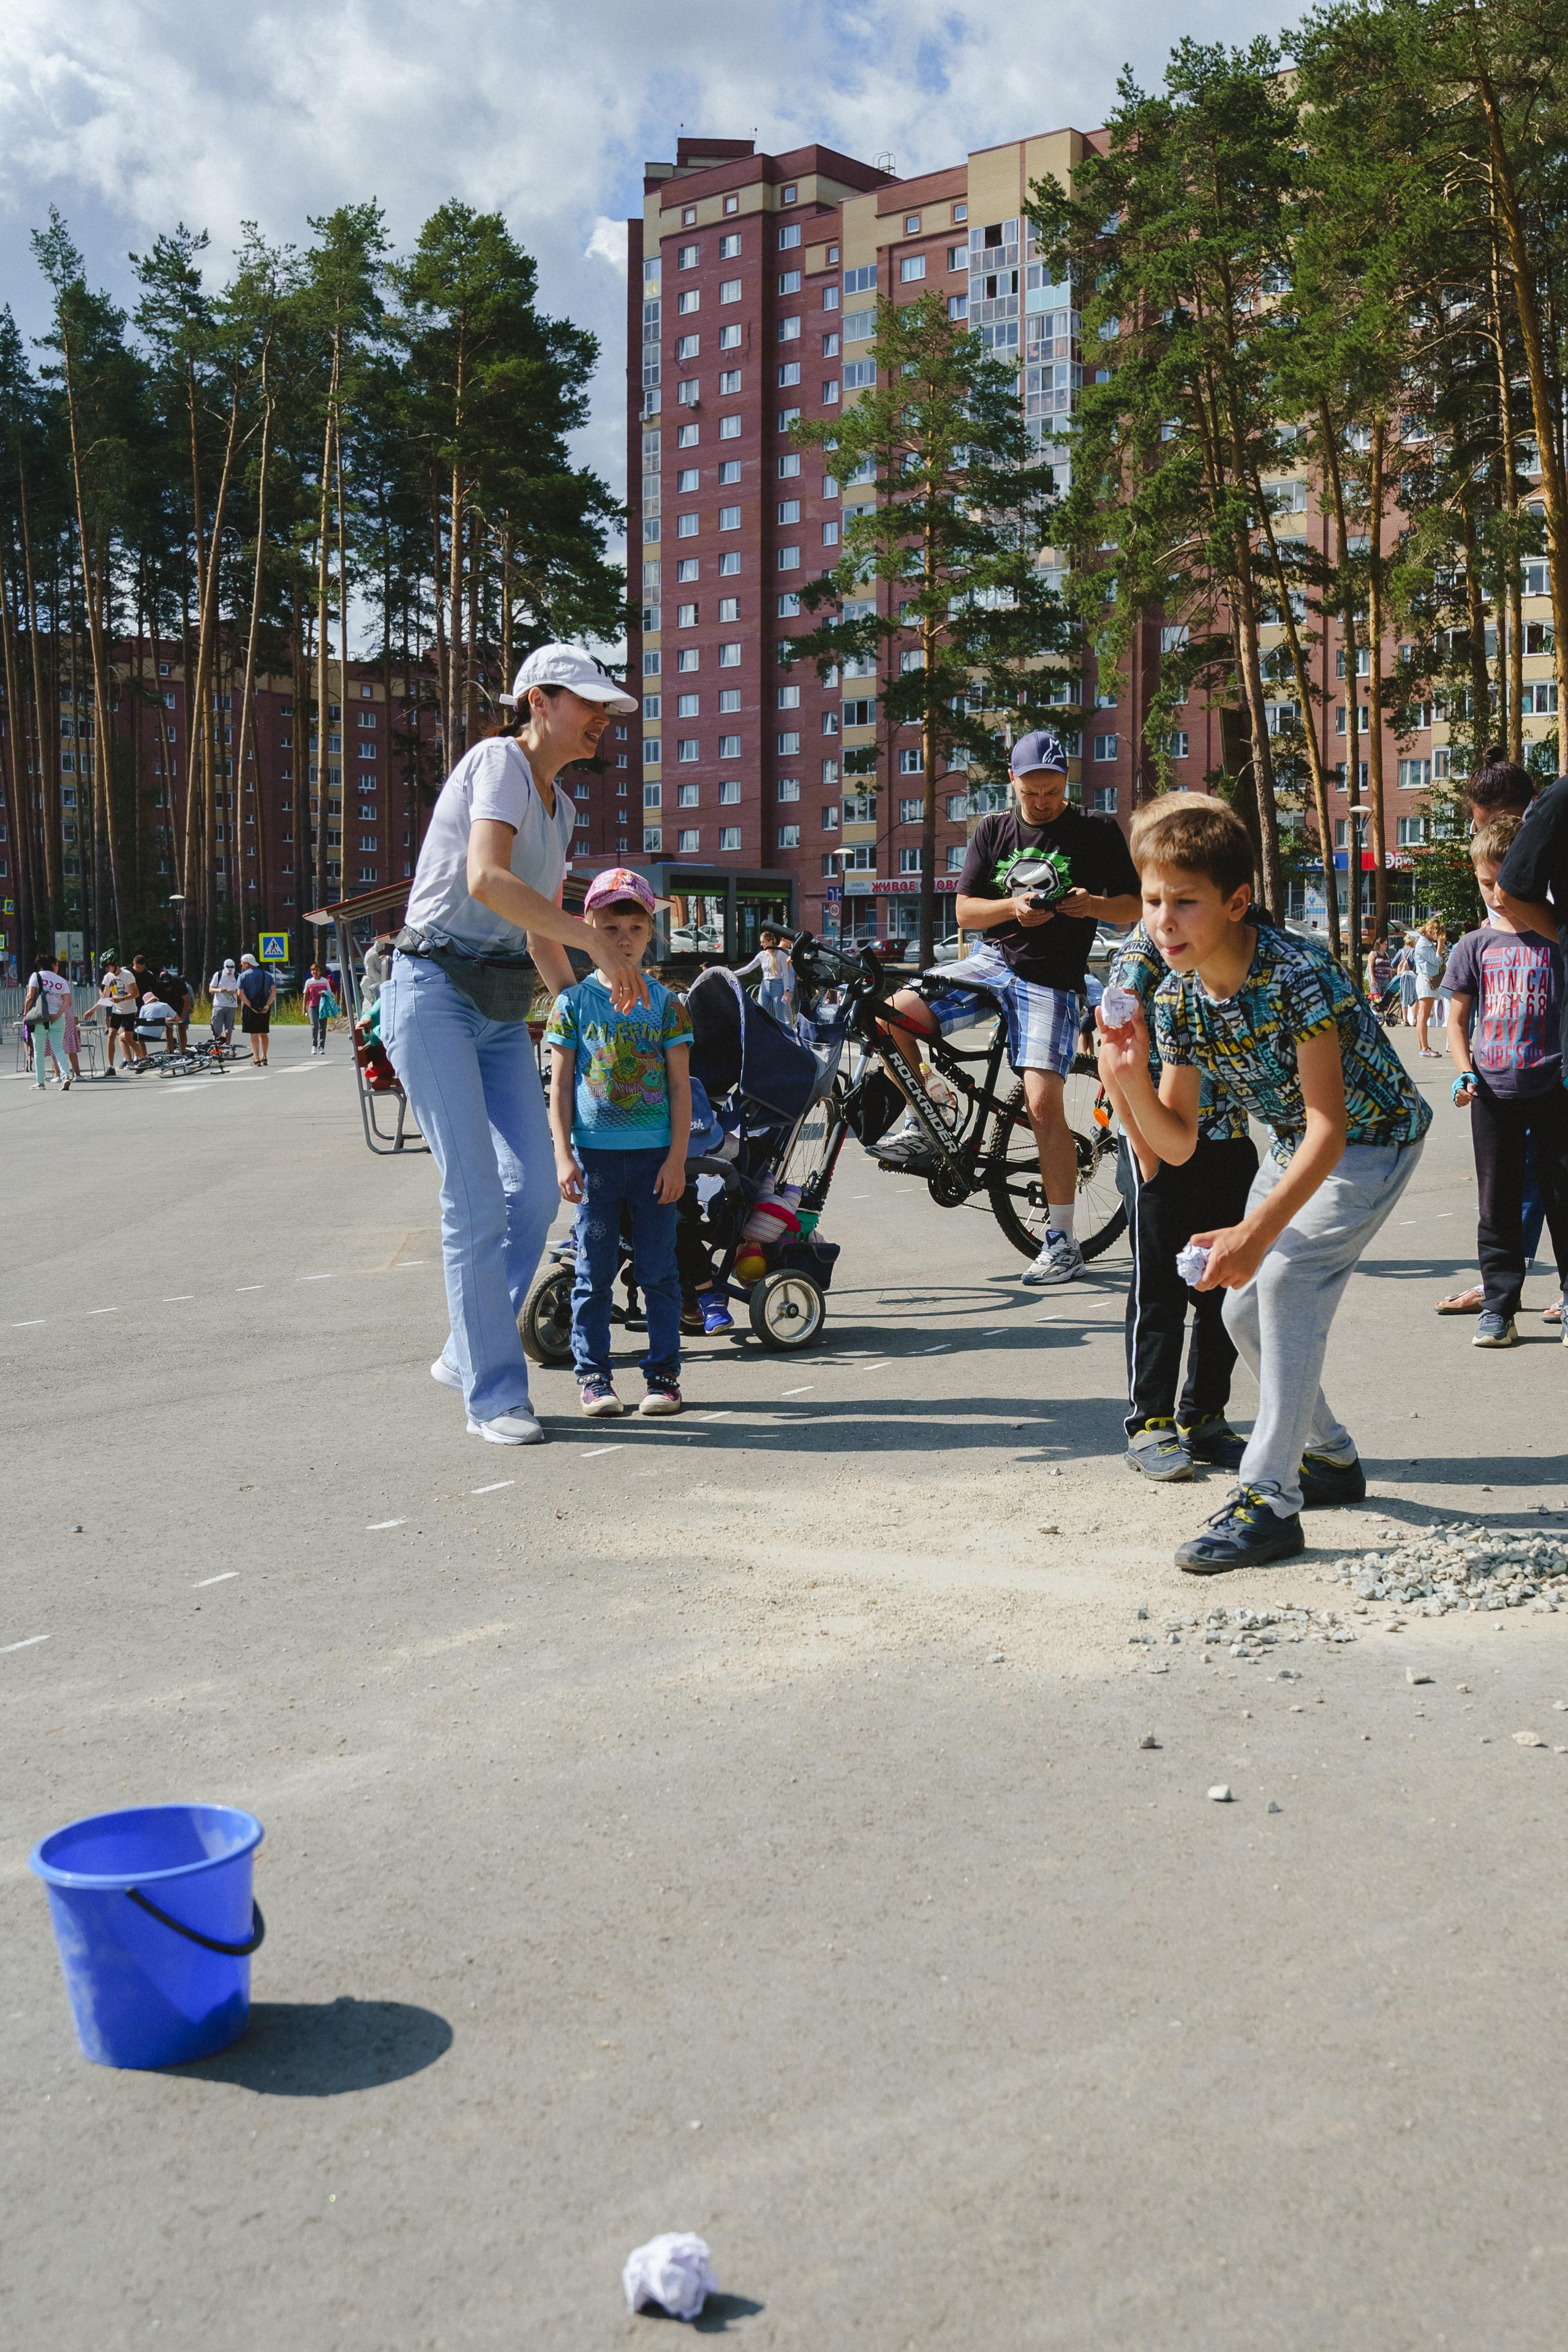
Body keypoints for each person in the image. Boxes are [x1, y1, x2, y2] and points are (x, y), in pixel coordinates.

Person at [1097, 792, 1431, 1573]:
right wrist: (1125, 1078)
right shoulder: (1177, 998)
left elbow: (1331, 1126)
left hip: (1373, 1141)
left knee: (1277, 1278)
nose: (1163, 921)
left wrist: (1256, 1232)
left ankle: (1270, 1500)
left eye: (1185, 903)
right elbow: (1176, 1144)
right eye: (1151, 903)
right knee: (1240, 1303)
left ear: (1236, 901)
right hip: (1296, 1146)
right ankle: (1333, 1460)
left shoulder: (1295, 971)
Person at [381, 641, 644, 1445]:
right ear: (540, 701)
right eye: (589, 703)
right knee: (473, 1199)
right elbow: (489, 881)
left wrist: (586, 1020)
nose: (602, 719)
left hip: (499, 1010)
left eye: (607, 708)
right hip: (431, 993)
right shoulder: (497, 762)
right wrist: (598, 945)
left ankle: (468, 1349)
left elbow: (535, 933)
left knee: (535, 1191)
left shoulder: (560, 808)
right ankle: (494, 1396)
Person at [876, 728, 1141, 1286]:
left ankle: (1063, 1242)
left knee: (1045, 1106)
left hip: (1052, 978)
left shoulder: (1095, 830)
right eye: (1031, 793)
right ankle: (934, 1106)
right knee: (888, 1017)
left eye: (1051, 792)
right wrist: (1013, 908)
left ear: (1065, 783)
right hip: (994, 962)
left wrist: (1090, 903)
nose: (1041, 803)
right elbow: (966, 913)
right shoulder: (994, 829)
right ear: (1012, 781)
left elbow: (1134, 906)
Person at [1109, 899, 1258, 1482]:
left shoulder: (1240, 943)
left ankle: (1204, 1417)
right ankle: (1149, 1422)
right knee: (1161, 1291)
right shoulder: (1142, 957)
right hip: (1157, 1145)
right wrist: (1145, 1155)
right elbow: (1111, 1057)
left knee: (1226, 1283)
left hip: (1229, 1141)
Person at [546, 868, 693, 1416]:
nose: (624, 937)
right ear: (587, 927)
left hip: (656, 1161)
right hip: (596, 1163)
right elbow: (560, 1086)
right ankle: (595, 1380)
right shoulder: (573, 1004)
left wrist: (678, 1158)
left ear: (651, 932)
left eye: (635, 925)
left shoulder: (667, 1004)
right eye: (610, 926)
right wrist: (563, 1154)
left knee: (659, 1272)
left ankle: (663, 1378)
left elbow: (681, 1087)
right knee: (593, 1274)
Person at [1444, 813, 1568, 1348]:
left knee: (1562, 1198)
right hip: (1492, 1093)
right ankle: (1500, 1308)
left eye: (1505, 882)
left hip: (1554, 1089)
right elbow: (1455, 1020)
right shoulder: (1473, 945)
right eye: (1485, 882)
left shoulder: (1558, 937)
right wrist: (1463, 1072)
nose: (1497, 894)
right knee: (1497, 1204)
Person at [21, 952, 72, 1090]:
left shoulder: (36, 976)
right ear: (53, 965)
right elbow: (68, 1002)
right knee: (58, 1048)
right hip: (58, 1019)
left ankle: (40, 1082)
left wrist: (25, 1016)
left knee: (38, 1050)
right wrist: (57, 1015)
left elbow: (30, 997)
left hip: (39, 1018)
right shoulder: (61, 981)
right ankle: (66, 1076)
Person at [736, 929, 797, 1027]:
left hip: (778, 985)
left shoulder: (780, 954)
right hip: (765, 985)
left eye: (763, 942)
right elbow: (748, 968)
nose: (762, 944)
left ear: (771, 942)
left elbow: (785, 973)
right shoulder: (761, 955)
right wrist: (733, 973)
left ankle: (781, 1036)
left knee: (779, 1015)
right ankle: (762, 1033)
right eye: (761, 942)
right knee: (761, 1011)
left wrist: (786, 990)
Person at [1412, 918, 1446, 1055]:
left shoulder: (1426, 943)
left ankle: (1423, 1048)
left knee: (1422, 1016)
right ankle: (1424, 1048)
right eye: (1436, 934)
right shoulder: (1423, 945)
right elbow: (1437, 960)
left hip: (1427, 981)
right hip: (1426, 981)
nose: (1437, 937)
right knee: (1424, 1017)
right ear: (1431, 931)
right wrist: (1440, 945)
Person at [236, 952, 276, 1065]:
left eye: (243, 964)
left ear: (247, 964)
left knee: (253, 1033)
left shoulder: (243, 976)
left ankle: (256, 1059)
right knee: (264, 1032)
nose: (242, 966)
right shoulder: (267, 975)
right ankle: (265, 1057)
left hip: (250, 1007)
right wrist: (267, 1005)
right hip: (265, 1006)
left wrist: (250, 1005)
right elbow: (273, 992)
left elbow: (240, 993)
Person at [303, 962, 336, 1055]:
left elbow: (330, 993)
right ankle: (314, 1046)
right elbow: (306, 995)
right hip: (312, 1006)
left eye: (317, 970)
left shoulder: (325, 981)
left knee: (323, 1027)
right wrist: (304, 1008)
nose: (315, 972)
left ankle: (321, 1047)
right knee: (315, 1027)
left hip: (323, 1006)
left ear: (320, 972)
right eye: (313, 970)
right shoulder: (309, 982)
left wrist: (324, 993)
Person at [209, 959, 240, 1052]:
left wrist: (234, 992)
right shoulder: (218, 975)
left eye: (232, 968)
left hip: (232, 1006)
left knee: (229, 1030)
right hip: (219, 1005)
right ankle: (217, 1048)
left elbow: (241, 991)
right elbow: (211, 989)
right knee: (217, 1030)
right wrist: (219, 990)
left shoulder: (237, 975)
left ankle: (227, 1048)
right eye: (228, 968)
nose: (230, 970)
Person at [159, 965, 192, 1050]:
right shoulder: (159, 986)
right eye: (166, 988)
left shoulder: (179, 983)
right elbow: (158, 1003)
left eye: (170, 987)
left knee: (182, 1031)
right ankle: (171, 1053)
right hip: (168, 1008)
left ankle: (183, 1051)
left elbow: (187, 1001)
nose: (168, 989)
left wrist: (183, 1017)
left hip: (181, 1006)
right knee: (169, 1031)